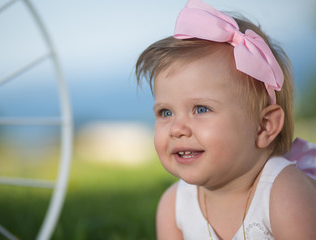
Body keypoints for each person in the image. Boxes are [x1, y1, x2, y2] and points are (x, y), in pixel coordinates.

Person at [135, 0, 316, 239]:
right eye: (166, 113)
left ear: (264, 126)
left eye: (200, 109)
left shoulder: (284, 193)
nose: (176, 129)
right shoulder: (174, 205)